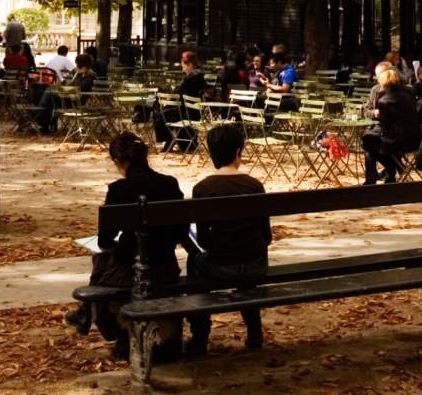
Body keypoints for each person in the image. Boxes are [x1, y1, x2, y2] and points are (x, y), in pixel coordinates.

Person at [66, 132, 186, 361]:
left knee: (101, 259)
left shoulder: (119, 190)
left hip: (132, 272)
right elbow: (180, 233)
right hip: (165, 267)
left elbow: (104, 241)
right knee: (106, 260)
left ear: (119, 162)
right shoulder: (170, 184)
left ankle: (88, 313)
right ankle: (85, 311)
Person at [184, 124, 270, 354]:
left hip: (221, 265)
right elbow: (266, 236)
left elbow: (203, 239)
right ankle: (254, 331)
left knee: (194, 263)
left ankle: (200, 335)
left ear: (211, 154)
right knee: (245, 262)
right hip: (255, 264)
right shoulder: (255, 186)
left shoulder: (202, 189)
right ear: (238, 152)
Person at [362, 64, 422, 184]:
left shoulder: (386, 100)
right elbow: (367, 111)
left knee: (368, 140)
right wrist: (373, 113)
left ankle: (377, 176)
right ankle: (389, 176)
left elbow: (387, 125)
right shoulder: (406, 94)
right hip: (415, 137)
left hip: (397, 137)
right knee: (370, 139)